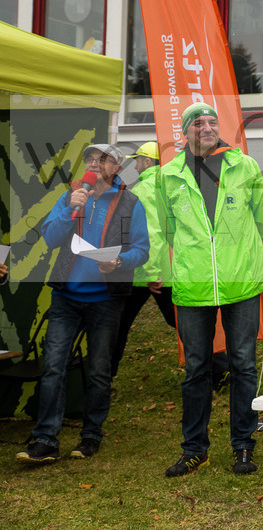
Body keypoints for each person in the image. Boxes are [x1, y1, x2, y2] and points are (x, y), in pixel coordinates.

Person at [156, 102, 263, 477]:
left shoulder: (244, 166)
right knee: (196, 369)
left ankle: (243, 447)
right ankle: (195, 449)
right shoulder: (168, 175)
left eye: (211, 121)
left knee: (243, 365)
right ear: (185, 132)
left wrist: (233, 251)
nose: (206, 127)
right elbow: (164, 227)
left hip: (241, 279)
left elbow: (262, 217)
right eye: (197, 123)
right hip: (193, 283)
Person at [17, 144, 150, 464]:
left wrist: (119, 261)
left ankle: (91, 436)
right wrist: (70, 209)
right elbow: (49, 238)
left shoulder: (132, 203)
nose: (93, 163)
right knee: (53, 367)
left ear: (116, 167)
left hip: (106, 300)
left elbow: (142, 250)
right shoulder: (72, 196)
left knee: (100, 371)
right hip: (67, 297)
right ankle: (46, 439)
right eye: (90, 158)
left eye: (101, 159)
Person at [110, 142, 176, 378]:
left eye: (137, 161)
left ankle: (104, 379)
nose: (135, 166)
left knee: (118, 325)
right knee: (180, 322)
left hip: (146, 273)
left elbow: (150, 234)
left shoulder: (142, 190)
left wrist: (150, 273)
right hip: (168, 271)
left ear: (147, 162)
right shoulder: (171, 185)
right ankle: (220, 370)